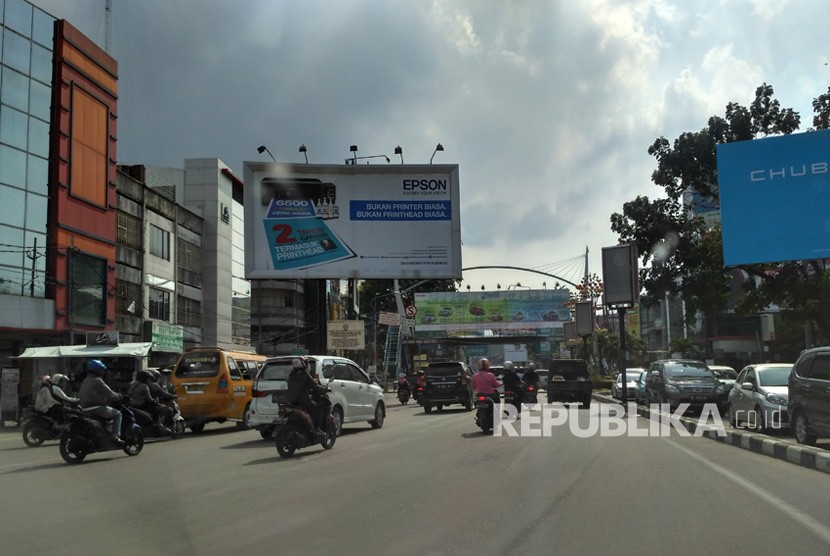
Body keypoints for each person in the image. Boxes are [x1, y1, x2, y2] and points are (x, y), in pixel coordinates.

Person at [78, 359, 124, 442]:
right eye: (102, 370)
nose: (103, 372)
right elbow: (111, 395)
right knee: (118, 414)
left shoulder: (86, 380)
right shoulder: (98, 380)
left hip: (84, 408)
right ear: (98, 370)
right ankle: (115, 436)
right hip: (96, 408)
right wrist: (120, 396)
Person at [286, 357, 327, 435]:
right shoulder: (305, 375)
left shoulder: (291, 375)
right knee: (318, 408)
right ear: (304, 364)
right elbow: (315, 387)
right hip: (303, 401)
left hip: (291, 401)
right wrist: (324, 389)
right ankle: (317, 428)